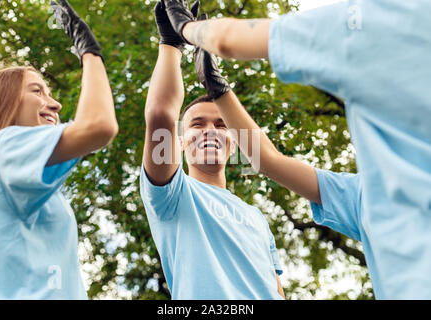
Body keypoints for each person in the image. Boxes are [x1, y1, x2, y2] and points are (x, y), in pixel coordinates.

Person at [162, 0, 431, 299]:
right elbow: (267, 159)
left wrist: (187, 30)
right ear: (183, 138)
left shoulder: (371, 197)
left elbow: (227, 39)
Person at [139, 1, 284, 300]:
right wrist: (170, 45)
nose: (210, 131)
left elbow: (278, 292)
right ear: (178, 143)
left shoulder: (255, 216)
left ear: (234, 141)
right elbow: (160, 116)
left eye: (221, 125)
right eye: (196, 124)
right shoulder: (172, 196)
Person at [0, 0, 118, 299]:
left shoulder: (8, 168)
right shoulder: (0, 148)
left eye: (50, 92)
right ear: (2, 101)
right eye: (37, 91)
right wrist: (90, 53)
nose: (54, 104)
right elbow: (99, 126)